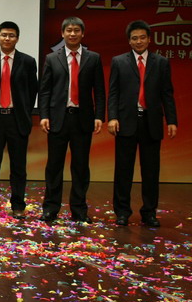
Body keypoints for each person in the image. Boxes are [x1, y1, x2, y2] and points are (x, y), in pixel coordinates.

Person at [108, 20, 177, 227]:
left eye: (142, 37)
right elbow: (113, 92)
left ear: (149, 39)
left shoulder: (161, 62)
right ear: (129, 41)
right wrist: (112, 117)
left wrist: (172, 120)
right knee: (123, 171)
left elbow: (167, 93)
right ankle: (122, 212)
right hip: (126, 122)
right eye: (134, 38)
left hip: (151, 122)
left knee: (151, 171)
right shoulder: (119, 61)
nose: (139, 41)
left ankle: (149, 213)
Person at [38, 17, 105, 224]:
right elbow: (45, 90)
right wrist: (44, 115)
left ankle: (79, 210)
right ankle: (50, 209)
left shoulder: (93, 58)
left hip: (82, 119)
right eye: (69, 30)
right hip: (58, 119)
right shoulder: (52, 58)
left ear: (82, 33)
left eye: (76, 30)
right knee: (54, 166)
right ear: (62, 33)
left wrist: (99, 116)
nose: (73, 34)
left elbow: (99, 91)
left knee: (81, 167)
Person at [0, 21, 38, 219]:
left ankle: (18, 205)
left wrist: (23, 111)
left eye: (11, 35)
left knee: (18, 166)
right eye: (4, 35)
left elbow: (32, 90)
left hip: (17, 119)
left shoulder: (27, 61)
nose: (7, 38)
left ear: (17, 38)